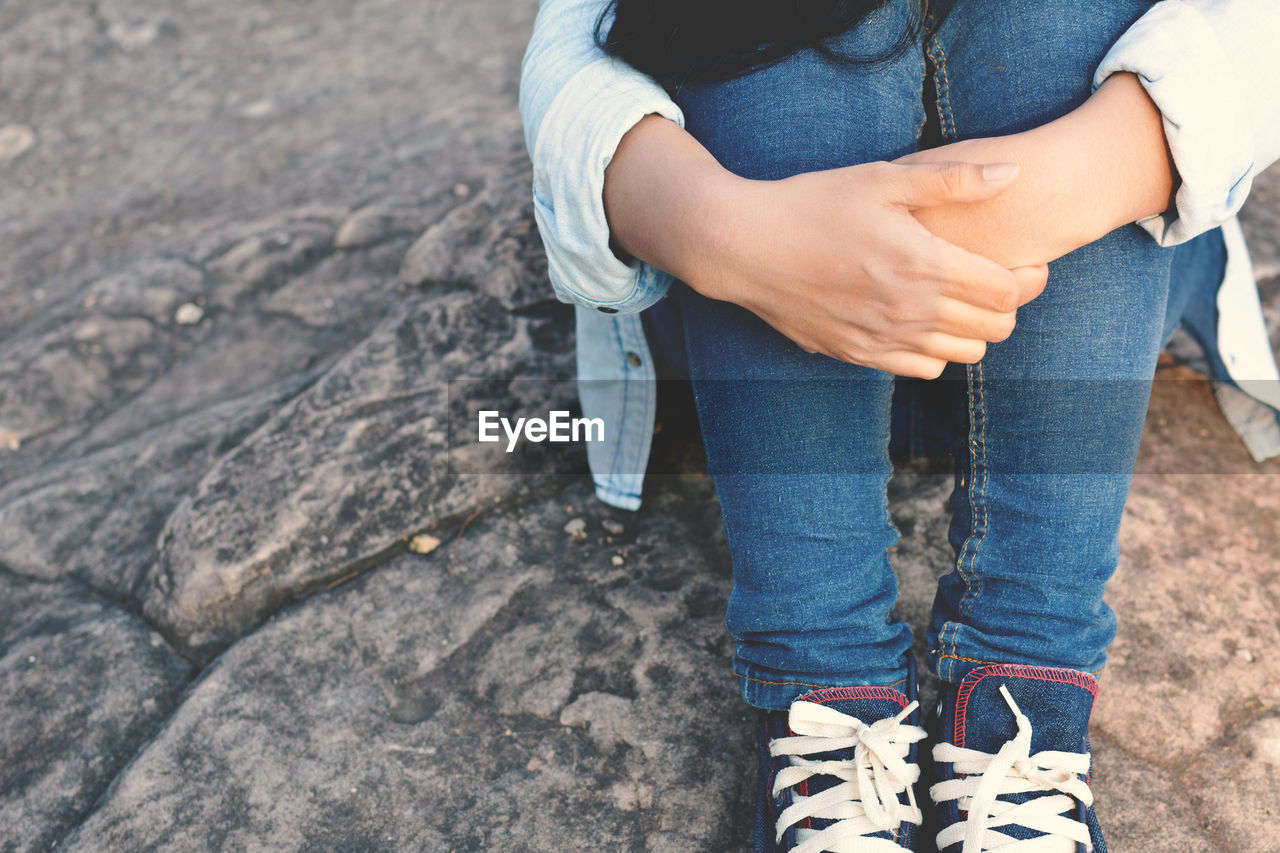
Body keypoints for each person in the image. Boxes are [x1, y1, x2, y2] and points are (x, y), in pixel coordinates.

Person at [520, 1, 1280, 850]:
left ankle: (1025, 701)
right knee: (756, 20)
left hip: (1055, 306)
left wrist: (1088, 166)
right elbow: (576, 43)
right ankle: (829, 705)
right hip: (768, 331)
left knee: (1074, 21)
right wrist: (731, 231)